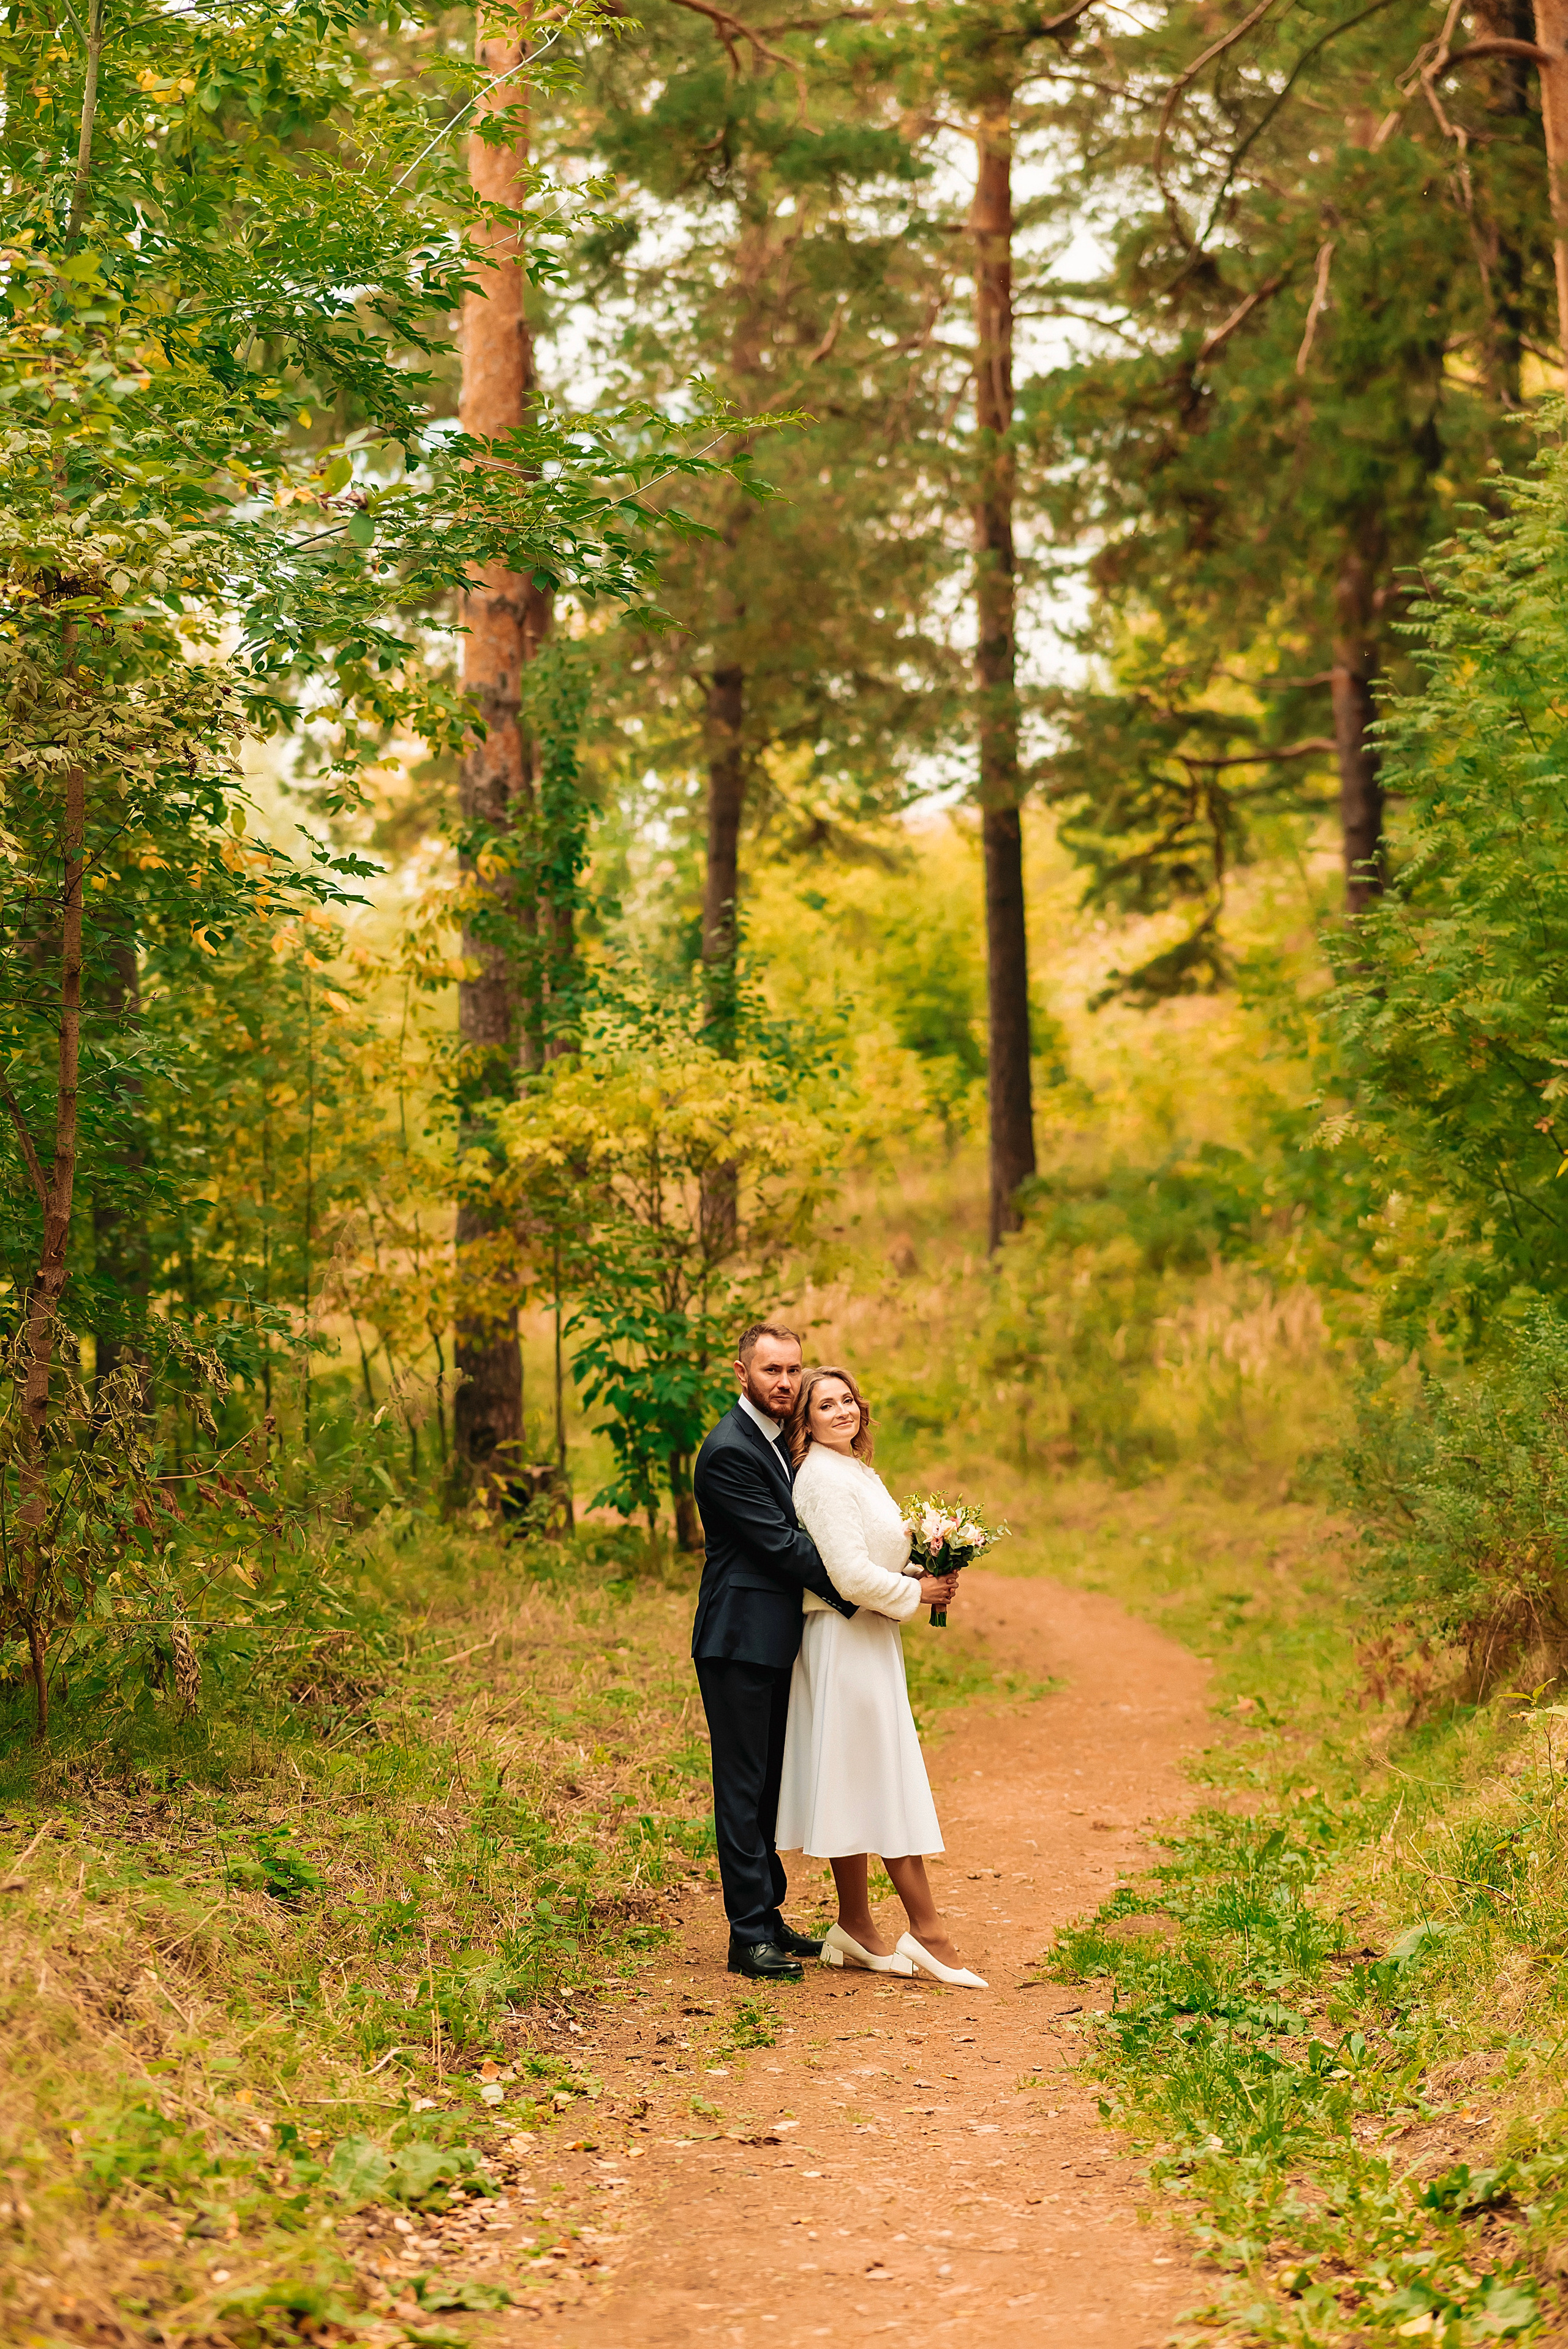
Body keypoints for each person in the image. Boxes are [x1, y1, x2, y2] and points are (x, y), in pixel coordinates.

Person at [775, 1364, 987, 1988]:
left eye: (847, 1401)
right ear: (805, 1422)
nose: (841, 1411)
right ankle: (928, 1934)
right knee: (880, 1779)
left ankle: (855, 1927)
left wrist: (932, 1559)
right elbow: (846, 1575)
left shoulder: (856, 1470)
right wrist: (916, 1593)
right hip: (842, 1643)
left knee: (856, 1778)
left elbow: (879, 1554)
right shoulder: (819, 1478)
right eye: (825, 1405)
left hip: (868, 1639)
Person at [690, 1322, 857, 1982]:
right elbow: (784, 1546)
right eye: (770, 1371)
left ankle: (769, 1915)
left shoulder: (782, 1442)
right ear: (742, 1374)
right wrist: (867, 1588)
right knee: (740, 1788)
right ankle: (747, 1936)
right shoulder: (730, 1451)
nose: (785, 1383)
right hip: (737, 1639)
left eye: (793, 1370)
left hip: (776, 1638)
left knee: (766, 1789)